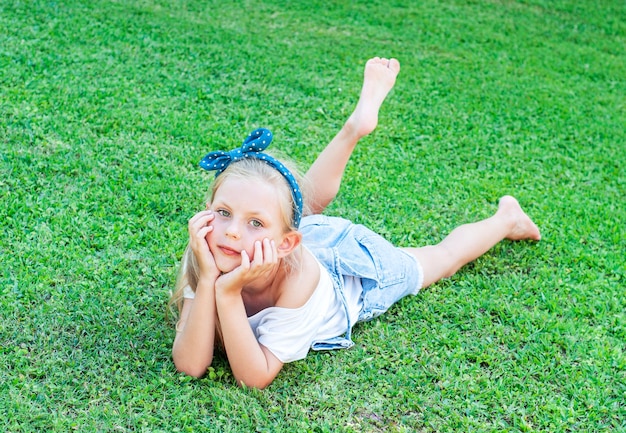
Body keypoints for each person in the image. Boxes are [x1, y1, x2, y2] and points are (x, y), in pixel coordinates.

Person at [169, 57, 541, 389]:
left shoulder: (297, 281)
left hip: (353, 269)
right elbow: (190, 365)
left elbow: (253, 377)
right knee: (292, 204)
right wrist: (210, 282)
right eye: (223, 212)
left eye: (252, 223)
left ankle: (505, 218)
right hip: (303, 239)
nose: (231, 230)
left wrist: (228, 293)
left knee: (438, 259)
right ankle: (355, 127)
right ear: (207, 211)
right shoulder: (211, 246)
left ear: (285, 245)